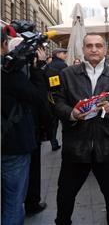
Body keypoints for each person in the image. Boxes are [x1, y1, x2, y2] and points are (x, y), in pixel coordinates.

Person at [53, 33, 109, 225]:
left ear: (105, 49)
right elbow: (57, 102)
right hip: (76, 146)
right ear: (83, 49)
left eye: (98, 45)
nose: (94, 49)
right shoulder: (68, 74)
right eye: (89, 46)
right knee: (65, 195)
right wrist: (71, 113)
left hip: (108, 146)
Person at [1, 27, 49, 225]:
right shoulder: (8, 72)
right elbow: (37, 97)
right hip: (12, 145)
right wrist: (38, 70)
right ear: (4, 44)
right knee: (13, 201)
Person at [46, 47, 68, 151]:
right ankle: (66, 142)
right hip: (61, 96)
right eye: (64, 53)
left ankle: (53, 142)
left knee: (53, 122)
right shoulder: (62, 65)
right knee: (65, 120)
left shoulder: (48, 65)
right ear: (58, 54)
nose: (65, 55)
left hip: (50, 97)